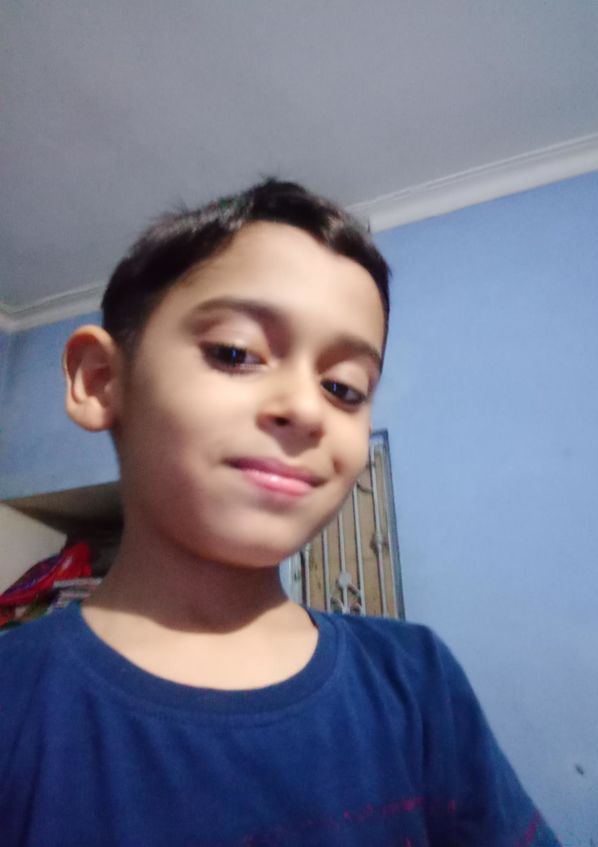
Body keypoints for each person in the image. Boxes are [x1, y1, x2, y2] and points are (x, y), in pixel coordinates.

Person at [0, 179, 561, 846]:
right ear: (100, 380)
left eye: (343, 387)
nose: (306, 408)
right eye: (235, 353)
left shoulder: (416, 684)